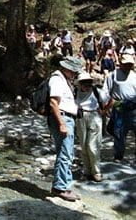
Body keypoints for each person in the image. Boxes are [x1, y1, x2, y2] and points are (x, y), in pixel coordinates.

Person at [48, 56, 84, 201]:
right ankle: (60, 188)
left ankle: (64, 185)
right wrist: (62, 124)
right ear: (67, 68)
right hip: (63, 118)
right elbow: (53, 103)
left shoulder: (63, 79)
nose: (75, 74)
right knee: (65, 154)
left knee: (67, 153)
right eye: (74, 71)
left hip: (67, 118)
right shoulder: (57, 79)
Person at [103, 53, 136, 162]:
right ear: (120, 64)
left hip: (134, 107)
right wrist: (106, 106)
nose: (128, 66)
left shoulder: (134, 75)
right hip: (119, 107)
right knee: (119, 133)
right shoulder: (113, 75)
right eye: (126, 64)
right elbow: (106, 91)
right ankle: (118, 156)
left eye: (130, 64)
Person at [75, 72, 105, 182]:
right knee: (83, 146)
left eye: (89, 83)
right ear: (80, 84)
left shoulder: (96, 91)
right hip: (81, 117)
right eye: (84, 83)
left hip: (94, 116)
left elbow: (108, 100)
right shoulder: (75, 92)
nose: (87, 86)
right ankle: (87, 170)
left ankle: (96, 172)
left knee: (93, 146)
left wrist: (103, 111)